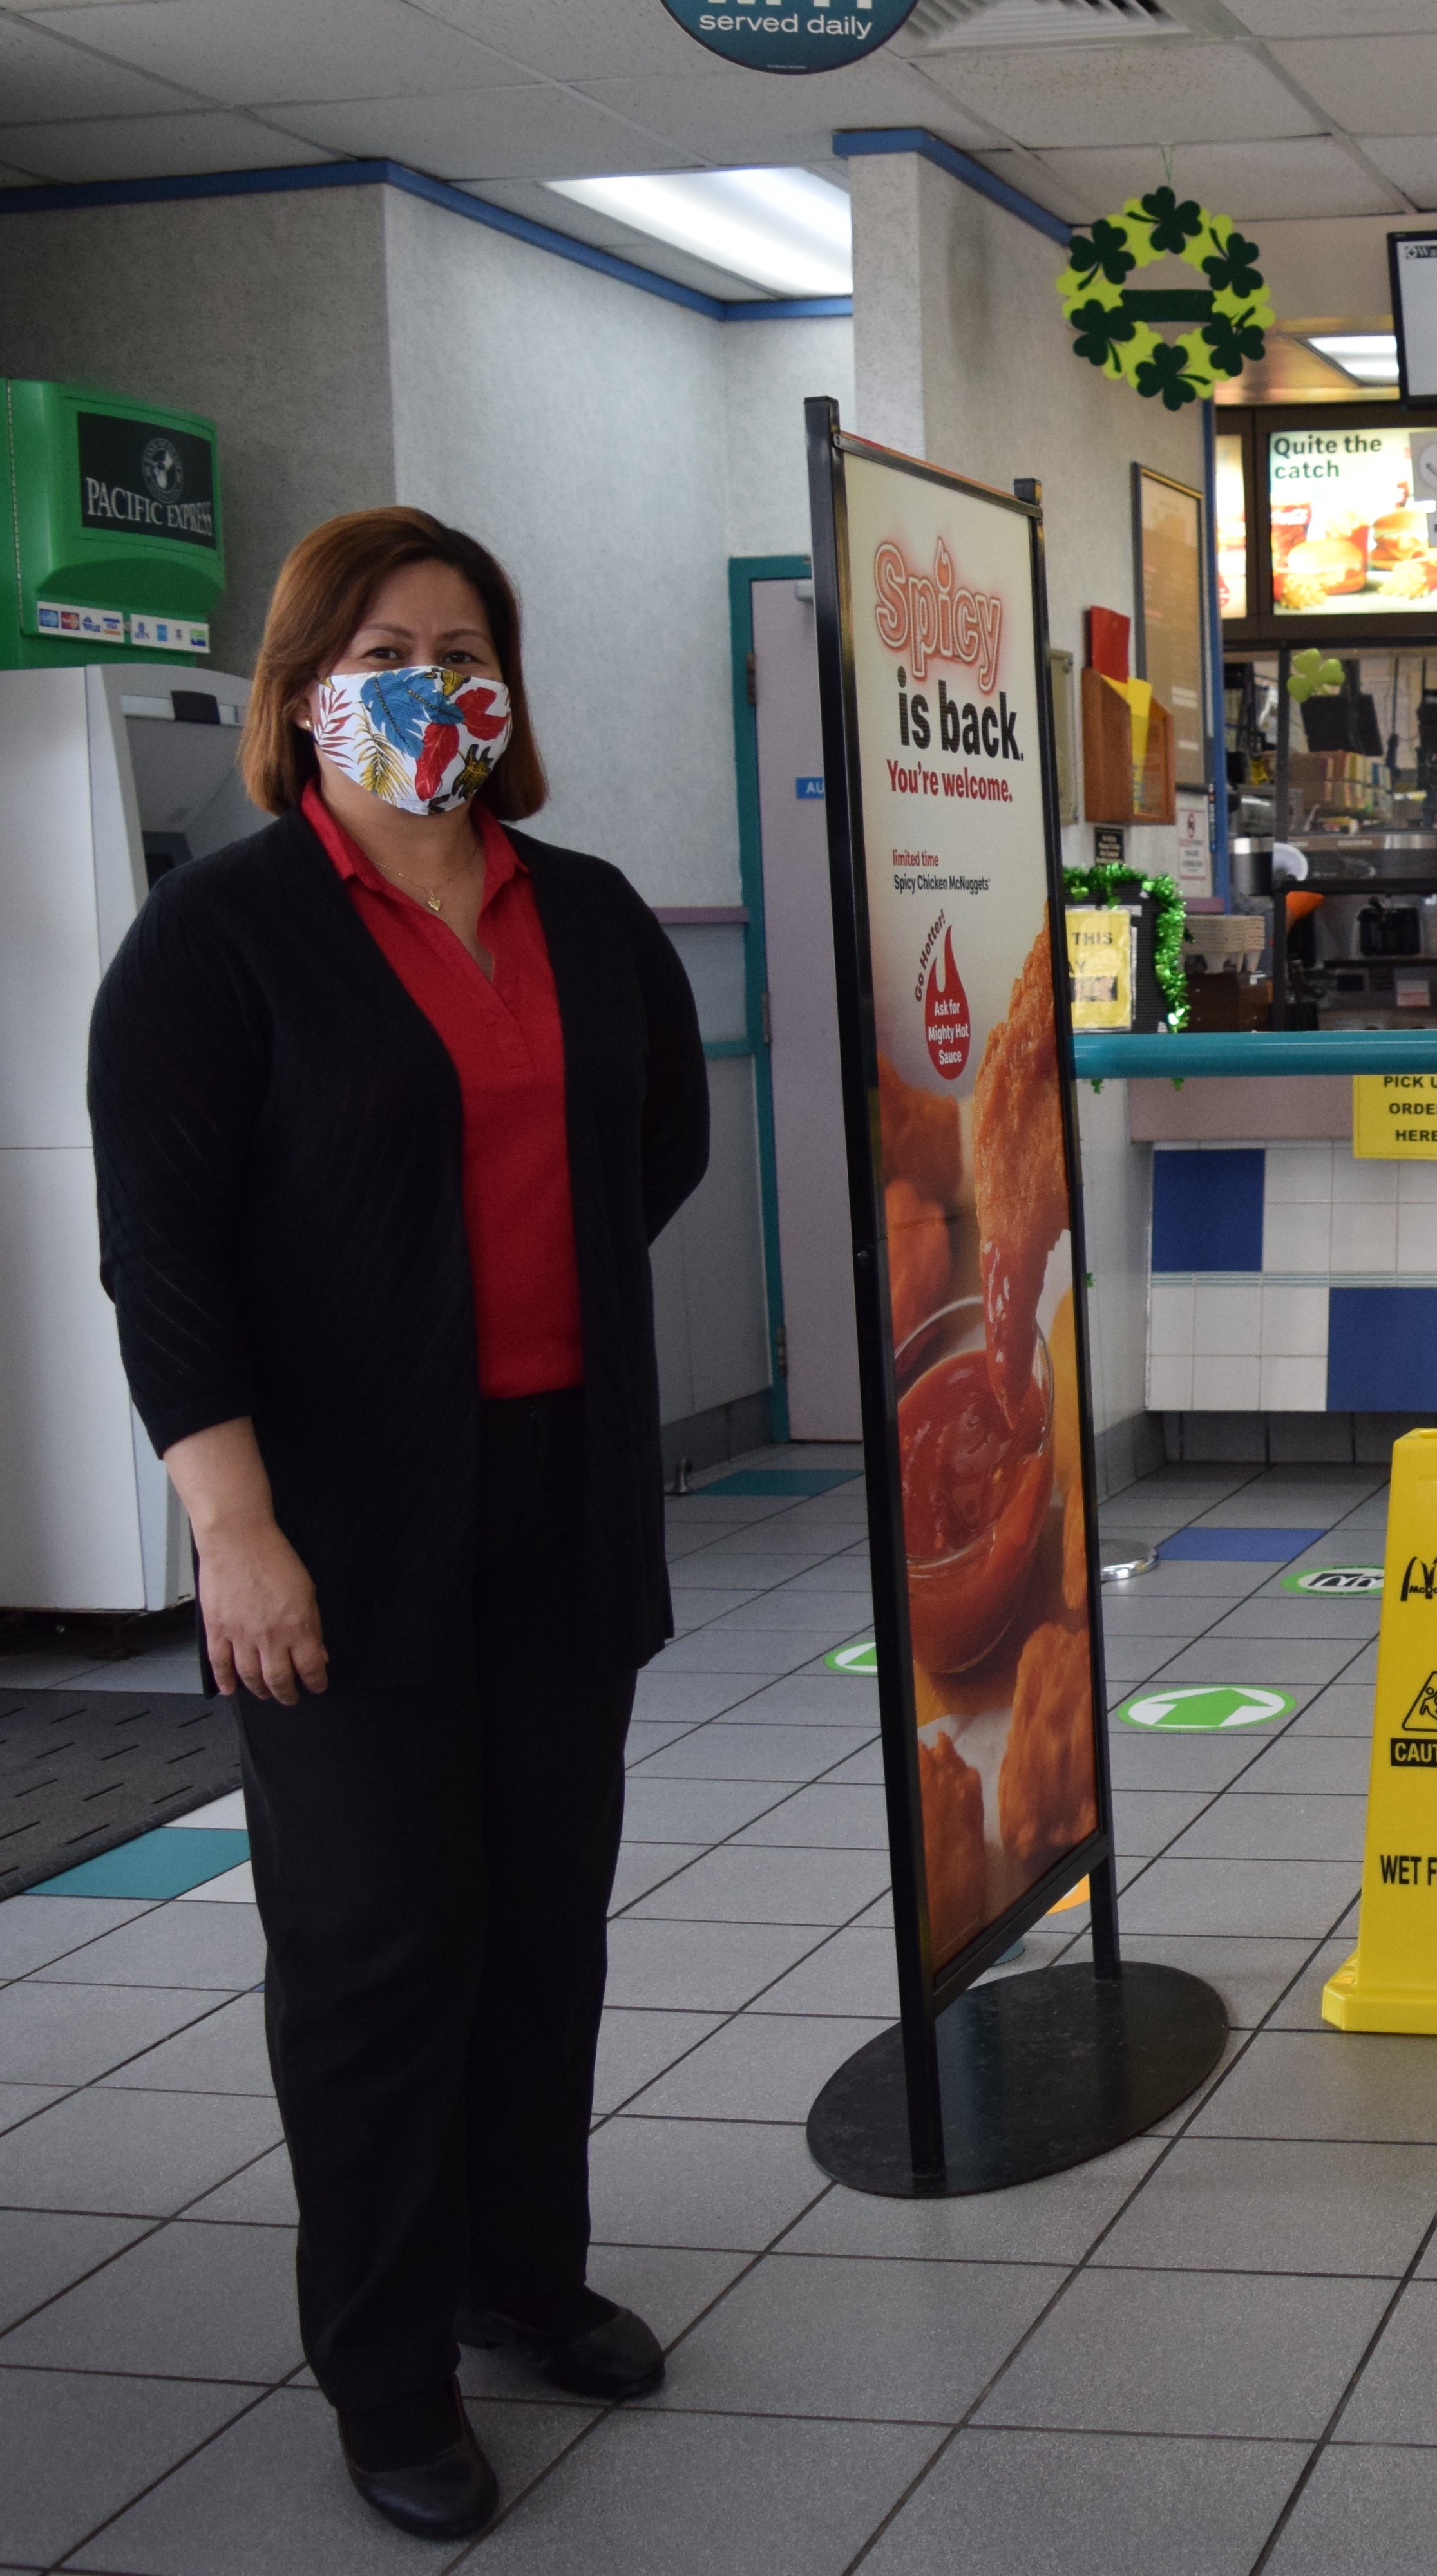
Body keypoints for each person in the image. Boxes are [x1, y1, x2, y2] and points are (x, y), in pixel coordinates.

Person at [87, 508, 708, 2541]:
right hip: (334, 1525)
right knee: (373, 1947)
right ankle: (384, 2366)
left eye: (463, 641)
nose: (430, 675)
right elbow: (162, 1258)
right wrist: (231, 1520)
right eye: (382, 644)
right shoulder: (224, 937)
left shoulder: (594, 911)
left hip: (559, 1497)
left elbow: (657, 1149)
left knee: (540, 1926)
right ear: (302, 689)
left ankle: (519, 2280)